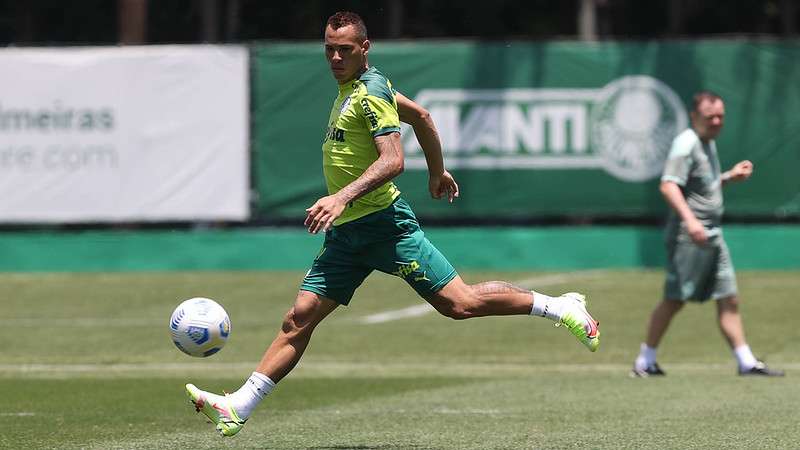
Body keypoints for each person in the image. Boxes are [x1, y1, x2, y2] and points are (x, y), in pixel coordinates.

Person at [185, 11, 600, 437]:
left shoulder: (369, 92)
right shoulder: (356, 88)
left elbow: (393, 160)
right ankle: (239, 406)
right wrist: (437, 172)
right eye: (328, 48)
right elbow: (422, 116)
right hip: (348, 235)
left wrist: (341, 196)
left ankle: (560, 306)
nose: (334, 57)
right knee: (299, 318)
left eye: (344, 49)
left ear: (365, 48)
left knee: (460, 305)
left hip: (387, 226)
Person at [631, 91, 783, 378]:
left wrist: (728, 178)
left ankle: (746, 361)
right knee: (675, 298)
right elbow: (668, 185)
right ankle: (644, 361)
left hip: (712, 233)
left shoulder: (707, 142)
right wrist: (691, 222)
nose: (716, 121)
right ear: (694, 116)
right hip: (690, 235)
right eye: (709, 116)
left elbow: (701, 187)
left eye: (720, 116)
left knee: (729, 297)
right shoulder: (686, 144)